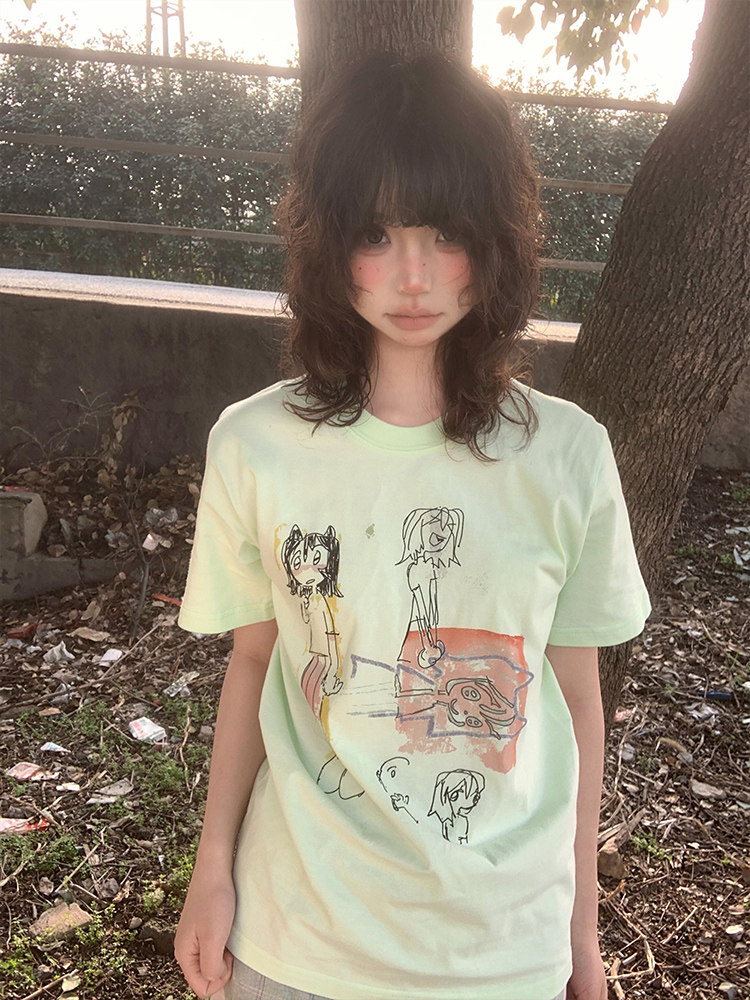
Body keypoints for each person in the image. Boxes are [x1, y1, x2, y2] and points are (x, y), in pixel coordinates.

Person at [173, 52, 651, 1000]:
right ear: (327, 242)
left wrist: (581, 933)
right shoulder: (255, 445)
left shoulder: (569, 455)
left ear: (497, 240)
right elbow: (257, 661)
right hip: (296, 942)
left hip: (503, 953)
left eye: (446, 232)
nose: (415, 275)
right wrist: (212, 868)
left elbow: (576, 698)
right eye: (376, 233)